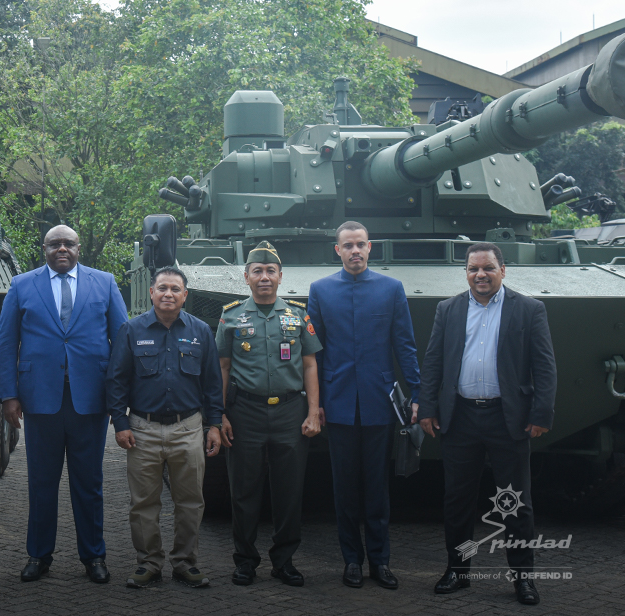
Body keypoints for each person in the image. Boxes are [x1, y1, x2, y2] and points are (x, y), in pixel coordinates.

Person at [419, 242, 556, 606]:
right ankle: (458, 571)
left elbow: (544, 366)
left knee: (516, 503)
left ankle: (523, 579)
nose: (480, 275)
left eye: (488, 268)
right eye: (473, 269)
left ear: (503, 270)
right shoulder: (447, 309)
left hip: (506, 418)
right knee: (457, 501)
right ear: (465, 272)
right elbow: (433, 363)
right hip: (460, 416)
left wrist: (541, 414)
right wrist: (428, 409)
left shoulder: (528, 309)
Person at [0, 224, 128, 584]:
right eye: (55, 244)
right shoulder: (23, 285)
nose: (62, 249)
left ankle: (94, 556)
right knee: (41, 482)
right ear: (44, 249)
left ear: (79, 248)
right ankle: (39, 555)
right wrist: (8, 394)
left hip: (91, 399)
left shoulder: (105, 282)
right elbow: (6, 343)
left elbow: (122, 342)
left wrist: (120, 400)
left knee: (90, 483)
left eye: (69, 243)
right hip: (40, 400)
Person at [307, 221, 421, 589]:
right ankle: (351, 560)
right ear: (336, 251)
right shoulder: (320, 290)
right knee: (344, 489)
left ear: (370, 247)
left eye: (360, 245)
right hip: (337, 404)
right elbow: (314, 354)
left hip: (378, 403)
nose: (354, 251)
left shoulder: (390, 289)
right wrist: (316, 403)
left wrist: (417, 394)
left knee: (376, 488)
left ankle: (380, 561)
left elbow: (404, 345)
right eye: (347, 246)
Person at [107, 266, 224, 589]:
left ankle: (186, 563)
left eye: (175, 289)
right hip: (142, 428)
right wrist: (120, 423)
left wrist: (214, 425)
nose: (168, 294)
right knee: (144, 503)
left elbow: (213, 384)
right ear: (151, 293)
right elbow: (116, 381)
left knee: (190, 502)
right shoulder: (131, 330)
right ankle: (149, 563)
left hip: (188, 428)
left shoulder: (201, 332)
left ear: (185, 295)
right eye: (162, 288)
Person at [218, 241, 322, 588]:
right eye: (257, 271)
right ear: (246, 277)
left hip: (291, 412)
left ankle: (284, 561)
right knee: (244, 491)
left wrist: (312, 412)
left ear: (281, 276)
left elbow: (310, 363)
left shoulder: (297, 314)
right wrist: (220, 415)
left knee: (288, 491)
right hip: (244, 410)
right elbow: (223, 367)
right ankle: (245, 560)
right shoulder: (230, 315)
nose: (264, 277)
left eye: (271, 271)